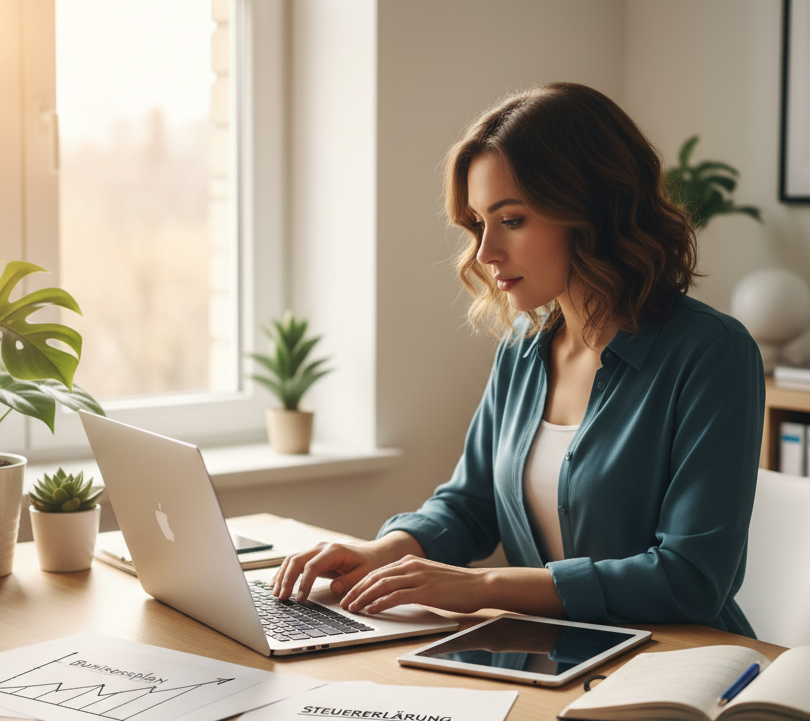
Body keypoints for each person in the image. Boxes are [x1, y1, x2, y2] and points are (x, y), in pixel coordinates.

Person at [273, 82, 765, 635]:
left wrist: (481, 588)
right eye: (479, 224)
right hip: (553, 656)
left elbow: (690, 579)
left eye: (512, 220)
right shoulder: (523, 349)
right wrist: (385, 552)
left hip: (678, 669)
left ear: (594, 209)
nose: (485, 253)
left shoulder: (712, 355)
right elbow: (471, 503)